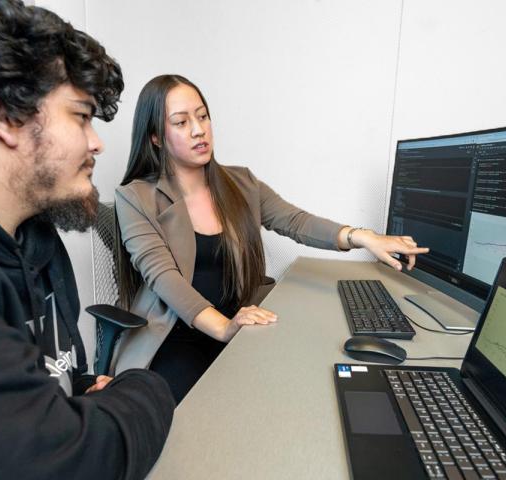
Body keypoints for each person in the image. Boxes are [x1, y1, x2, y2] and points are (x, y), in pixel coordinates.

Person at [0, 1, 174, 479]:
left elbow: (59, 380)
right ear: (2, 115)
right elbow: (61, 463)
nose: (96, 143)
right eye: (81, 117)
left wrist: (85, 394)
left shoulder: (39, 240)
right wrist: (144, 387)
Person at [113, 74, 429, 403]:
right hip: (176, 335)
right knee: (189, 419)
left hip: (240, 323)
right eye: (181, 122)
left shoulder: (241, 182)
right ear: (156, 138)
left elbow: (295, 221)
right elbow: (163, 277)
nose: (198, 129)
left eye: (203, 116)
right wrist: (223, 328)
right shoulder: (136, 197)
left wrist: (364, 237)